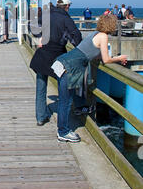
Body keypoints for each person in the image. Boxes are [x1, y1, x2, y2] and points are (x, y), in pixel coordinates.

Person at [52, 14, 127, 143]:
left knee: (64, 100)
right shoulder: (103, 36)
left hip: (63, 62)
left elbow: (91, 53)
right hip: (70, 68)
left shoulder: (95, 33)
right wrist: (120, 58)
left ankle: (65, 126)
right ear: (111, 25)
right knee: (66, 102)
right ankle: (63, 132)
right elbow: (106, 59)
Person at [30, 0, 82, 126]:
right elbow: (76, 39)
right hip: (58, 57)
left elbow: (33, 27)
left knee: (41, 88)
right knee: (64, 88)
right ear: (67, 6)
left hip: (42, 56)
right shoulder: (66, 19)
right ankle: (65, 121)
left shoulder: (47, 16)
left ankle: (40, 117)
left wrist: (40, 37)